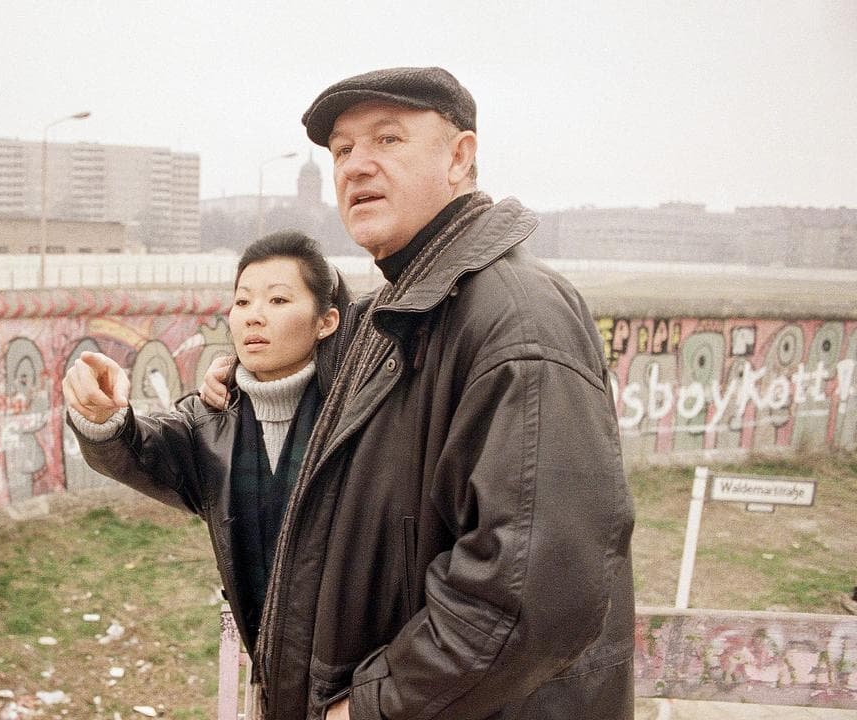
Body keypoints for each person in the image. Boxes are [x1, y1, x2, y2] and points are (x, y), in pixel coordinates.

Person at [204, 67, 636, 720]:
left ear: (460, 158)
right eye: (343, 151)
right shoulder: (395, 312)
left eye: (388, 139)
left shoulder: (518, 321)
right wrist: (239, 376)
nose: (356, 166)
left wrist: (371, 706)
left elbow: (535, 594)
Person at [62, 230, 350, 657]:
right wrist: (103, 416)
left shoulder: (360, 412)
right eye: (243, 301)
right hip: (270, 663)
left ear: (326, 321)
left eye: (279, 300)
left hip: (358, 671)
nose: (254, 316)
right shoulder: (211, 423)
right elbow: (140, 450)